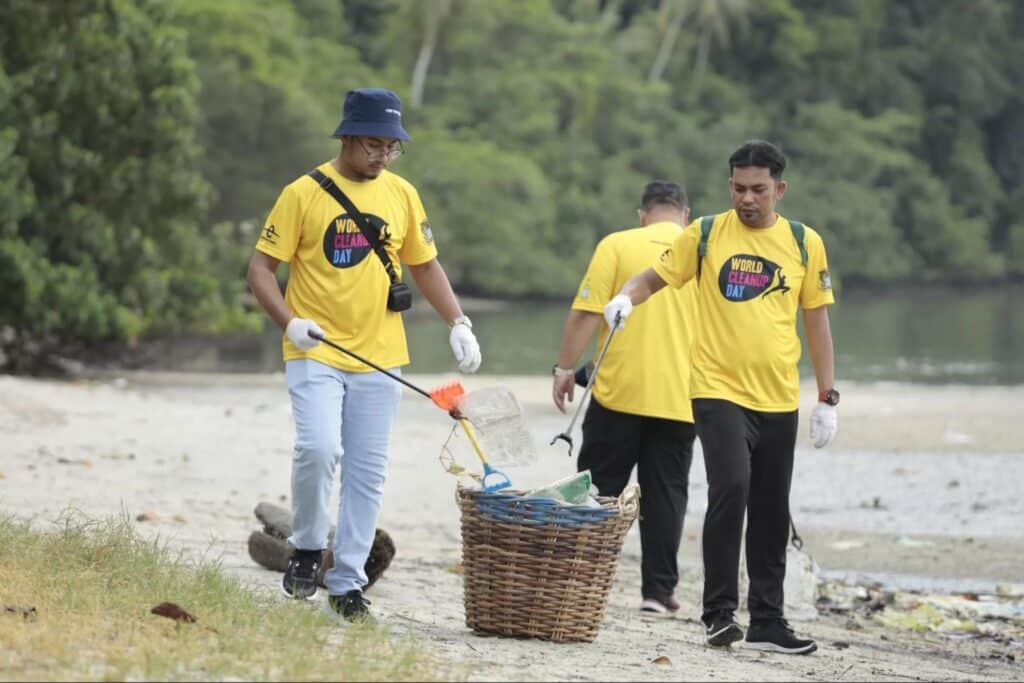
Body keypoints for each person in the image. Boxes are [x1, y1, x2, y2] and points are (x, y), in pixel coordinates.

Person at [246, 87, 482, 622]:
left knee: (367, 472)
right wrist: (290, 322)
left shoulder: (402, 194)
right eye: (374, 144)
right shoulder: (302, 192)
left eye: (392, 147)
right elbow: (260, 270)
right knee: (318, 448)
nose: (383, 155)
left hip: (381, 356)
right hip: (315, 349)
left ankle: (348, 582)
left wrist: (458, 322)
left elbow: (424, 265)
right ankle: (307, 546)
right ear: (349, 137)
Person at [603, 140, 838, 654]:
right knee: (732, 486)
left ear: (780, 189)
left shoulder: (803, 242)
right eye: (738, 188)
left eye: (758, 189)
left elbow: (816, 318)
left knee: (772, 505)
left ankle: (769, 621)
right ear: (728, 184)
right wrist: (625, 299)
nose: (747, 198)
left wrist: (827, 396)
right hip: (715, 389)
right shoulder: (705, 233)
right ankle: (718, 614)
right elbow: (654, 277)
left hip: (778, 397)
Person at [551, 180, 699, 618]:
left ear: (642, 215)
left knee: (599, 489)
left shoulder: (616, 244)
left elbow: (585, 312)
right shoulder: (700, 248)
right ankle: (657, 593)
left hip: (617, 393)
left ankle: (579, 581)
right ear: (685, 216)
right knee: (667, 495)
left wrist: (563, 368)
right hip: (681, 396)